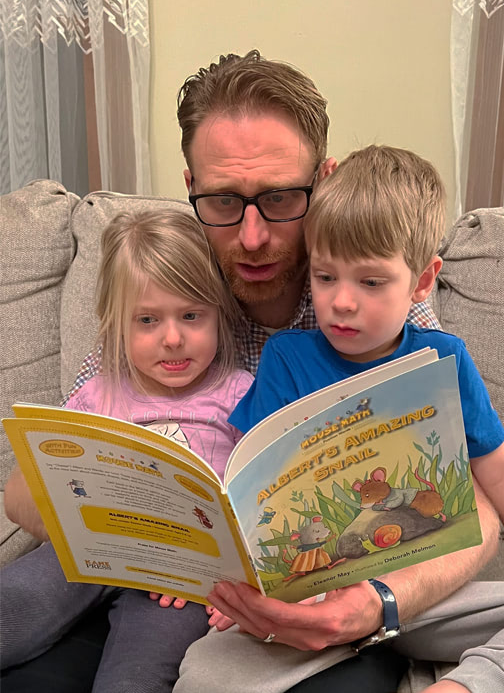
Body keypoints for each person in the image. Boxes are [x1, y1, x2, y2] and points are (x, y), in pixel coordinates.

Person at [3, 51, 500, 693]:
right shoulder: (169, 285)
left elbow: (476, 504)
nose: (254, 235)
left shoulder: (383, 308)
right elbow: (31, 482)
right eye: (222, 201)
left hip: (316, 599)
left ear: (322, 180)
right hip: (134, 588)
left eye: (279, 197)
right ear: (189, 187)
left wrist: (376, 602)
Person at [172, 145, 504, 693]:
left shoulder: (446, 359)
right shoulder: (286, 357)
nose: (342, 303)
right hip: (311, 592)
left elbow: (492, 475)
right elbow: (249, 486)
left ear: (423, 281)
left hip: (419, 590)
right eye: (326, 278)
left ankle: (466, 684)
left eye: (371, 283)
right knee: (204, 672)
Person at [0, 209, 254, 692]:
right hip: (87, 551)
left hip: (180, 581)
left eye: (192, 315)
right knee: (17, 599)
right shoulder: (97, 394)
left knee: (139, 672)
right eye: (147, 320)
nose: (173, 337)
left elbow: (255, 501)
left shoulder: (240, 394)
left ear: (221, 314)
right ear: (116, 325)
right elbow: (48, 475)